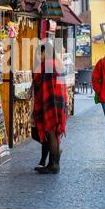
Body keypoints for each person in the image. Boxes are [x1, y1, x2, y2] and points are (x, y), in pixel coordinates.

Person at [32, 43, 67, 174]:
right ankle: (53, 160)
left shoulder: (48, 66)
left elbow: (46, 89)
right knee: (54, 133)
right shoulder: (56, 64)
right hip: (58, 103)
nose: (38, 56)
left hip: (51, 103)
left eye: (40, 53)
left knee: (52, 133)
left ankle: (54, 164)